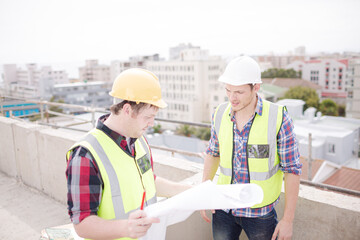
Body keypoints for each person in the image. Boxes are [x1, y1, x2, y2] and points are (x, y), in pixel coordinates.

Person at [66, 68, 190, 240]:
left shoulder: (139, 141)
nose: (152, 123)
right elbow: (82, 224)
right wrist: (126, 228)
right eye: (148, 116)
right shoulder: (85, 155)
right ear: (127, 109)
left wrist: (190, 191)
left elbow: (148, 181)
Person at [200, 56, 302, 240]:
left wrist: (288, 220)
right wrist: (204, 191)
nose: (232, 97)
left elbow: (292, 170)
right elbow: (213, 152)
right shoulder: (220, 113)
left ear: (256, 87)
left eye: (239, 92)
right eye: (228, 90)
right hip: (224, 209)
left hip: (260, 214)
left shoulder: (278, 118)